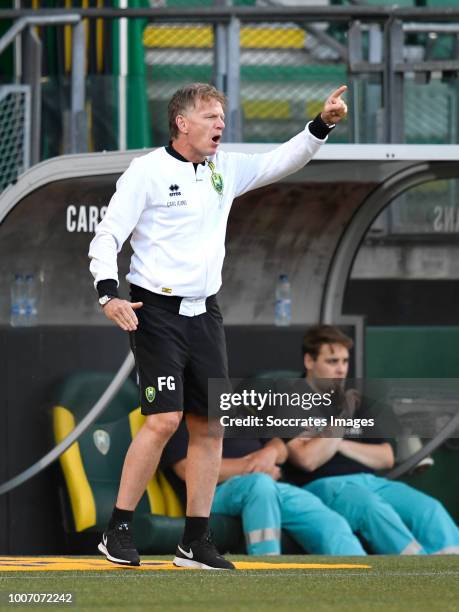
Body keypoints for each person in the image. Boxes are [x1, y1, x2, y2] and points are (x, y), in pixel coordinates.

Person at [88, 83, 348, 569]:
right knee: (164, 420)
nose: (220, 126)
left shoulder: (224, 167)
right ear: (182, 123)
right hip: (154, 311)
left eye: (222, 117)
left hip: (205, 312)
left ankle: (196, 542)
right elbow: (108, 237)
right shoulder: (146, 171)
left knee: (211, 426)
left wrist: (322, 124)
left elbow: (281, 160)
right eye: (210, 117)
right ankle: (118, 529)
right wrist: (108, 293)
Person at [283, 324, 459, 555]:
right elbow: (307, 460)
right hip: (323, 486)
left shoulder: (357, 400)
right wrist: (343, 418)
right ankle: (418, 570)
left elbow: (385, 457)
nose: (341, 370)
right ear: (309, 361)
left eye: (345, 362)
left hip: (370, 481)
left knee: (429, 509)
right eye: (332, 361)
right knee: (372, 508)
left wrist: (336, 443)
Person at [161, 421, 366, 556]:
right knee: (260, 485)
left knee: (332, 522)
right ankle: (268, 572)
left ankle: (362, 582)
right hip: (211, 494)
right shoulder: (181, 411)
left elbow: (281, 448)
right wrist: (253, 468)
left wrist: (268, 454)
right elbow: (185, 468)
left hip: (270, 486)